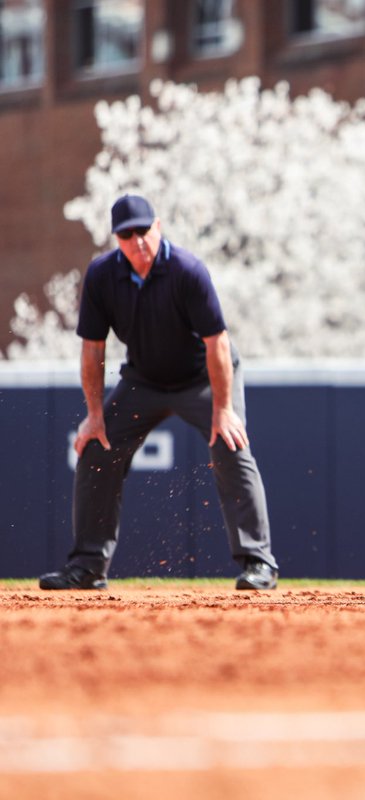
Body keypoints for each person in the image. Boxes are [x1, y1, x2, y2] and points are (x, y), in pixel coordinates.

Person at [38, 194, 279, 591]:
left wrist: (223, 409)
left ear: (158, 227)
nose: (138, 242)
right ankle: (87, 567)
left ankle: (258, 563)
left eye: (143, 230)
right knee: (96, 447)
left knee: (230, 443)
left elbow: (217, 342)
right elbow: (93, 349)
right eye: (126, 235)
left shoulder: (187, 271)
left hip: (203, 378)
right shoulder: (102, 276)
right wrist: (94, 416)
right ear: (116, 239)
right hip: (144, 381)